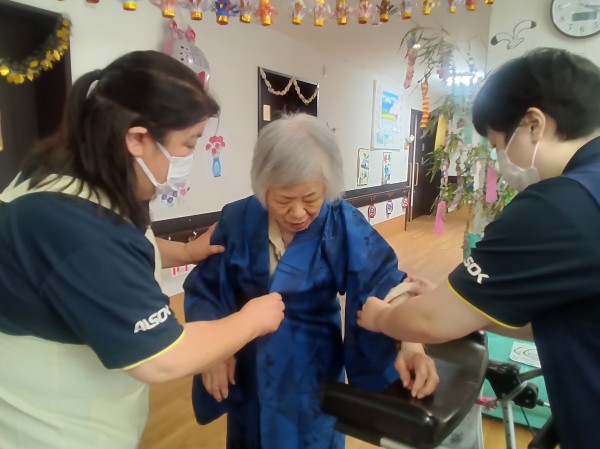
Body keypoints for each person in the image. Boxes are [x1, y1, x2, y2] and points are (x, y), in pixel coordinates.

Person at [0, 50, 285, 449]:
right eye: (188, 144)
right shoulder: (75, 226)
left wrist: (185, 252)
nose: (187, 159)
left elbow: (105, 259)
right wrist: (250, 321)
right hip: (54, 431)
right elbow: (164, 356)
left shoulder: (61, 179)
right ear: (136, 139)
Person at [357, 47, 600, 449]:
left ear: (534, 124)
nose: (501, 160)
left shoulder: (559, 206)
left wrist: (383, 319)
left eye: (498, 145)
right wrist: (469, 308)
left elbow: (431, 322)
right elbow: (566, 318)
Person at [183, 113, 438, 449]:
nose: (298, 213)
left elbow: (382, 280)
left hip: (312, 372)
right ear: (262, 187)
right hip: (249, 369)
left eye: (311, 199)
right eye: (284, 200)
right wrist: (213, 351)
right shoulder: (237, 219)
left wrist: (411, 343)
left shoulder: (340, 221)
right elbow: (207, 289)